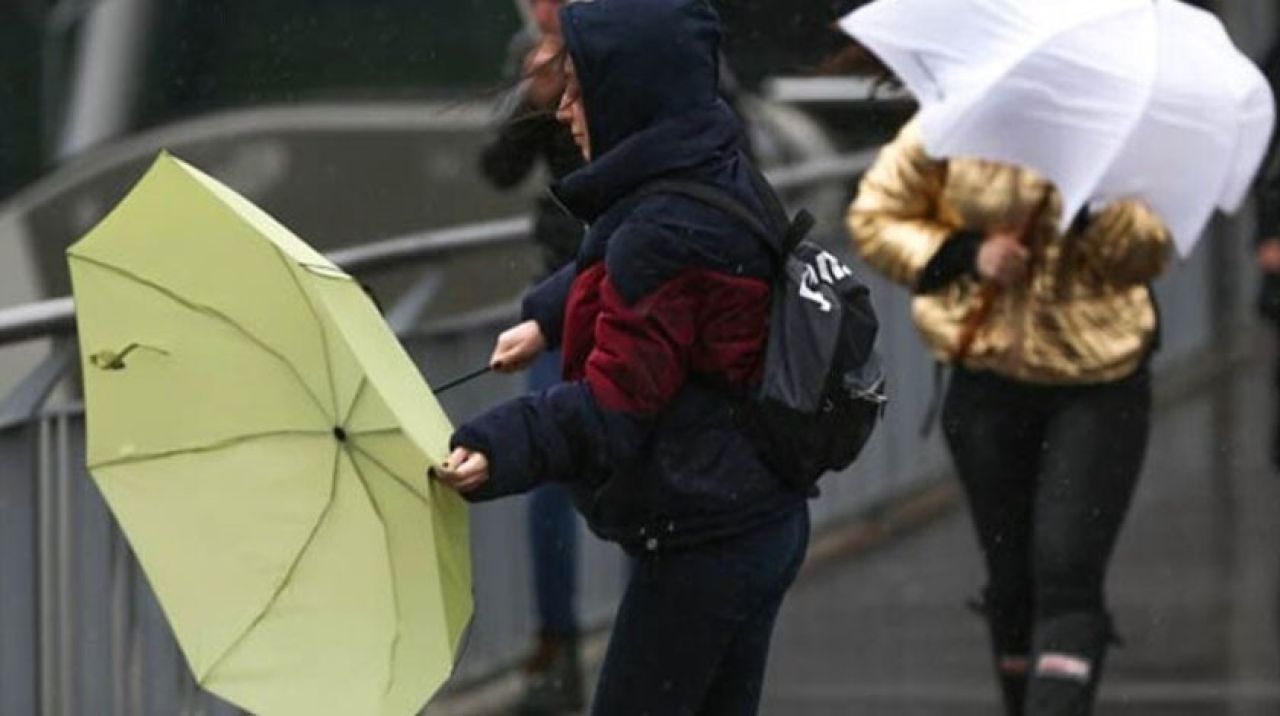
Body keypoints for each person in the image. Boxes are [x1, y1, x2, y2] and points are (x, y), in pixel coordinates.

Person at [433, 0, 810, 713]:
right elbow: (663, 267)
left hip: (706, 536)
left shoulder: (658, 227)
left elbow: (615, 408)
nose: (568, 113)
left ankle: (552, 648)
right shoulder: (711, 168)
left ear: (626, 92)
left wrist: (498, 443)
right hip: (761, 510)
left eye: (581, 91)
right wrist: (549, 319)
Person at [848, 116, 1173, 712]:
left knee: (1067, 566)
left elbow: (1152, 249)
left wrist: (1094, 209)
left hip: (1098, 386)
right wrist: (968, 254)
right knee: (1012, 580)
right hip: (985, 381)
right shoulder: (952, 123)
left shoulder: (1120, 135)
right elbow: (874, 217)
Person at [477, 1, 587, 712]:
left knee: (650, 468)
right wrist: (532, 102)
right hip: (561, 297)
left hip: (627, 285)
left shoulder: (641, 43)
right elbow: (498, 167)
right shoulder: (535, 56)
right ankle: (557, 645)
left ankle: (663, 648)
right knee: (549, 477)